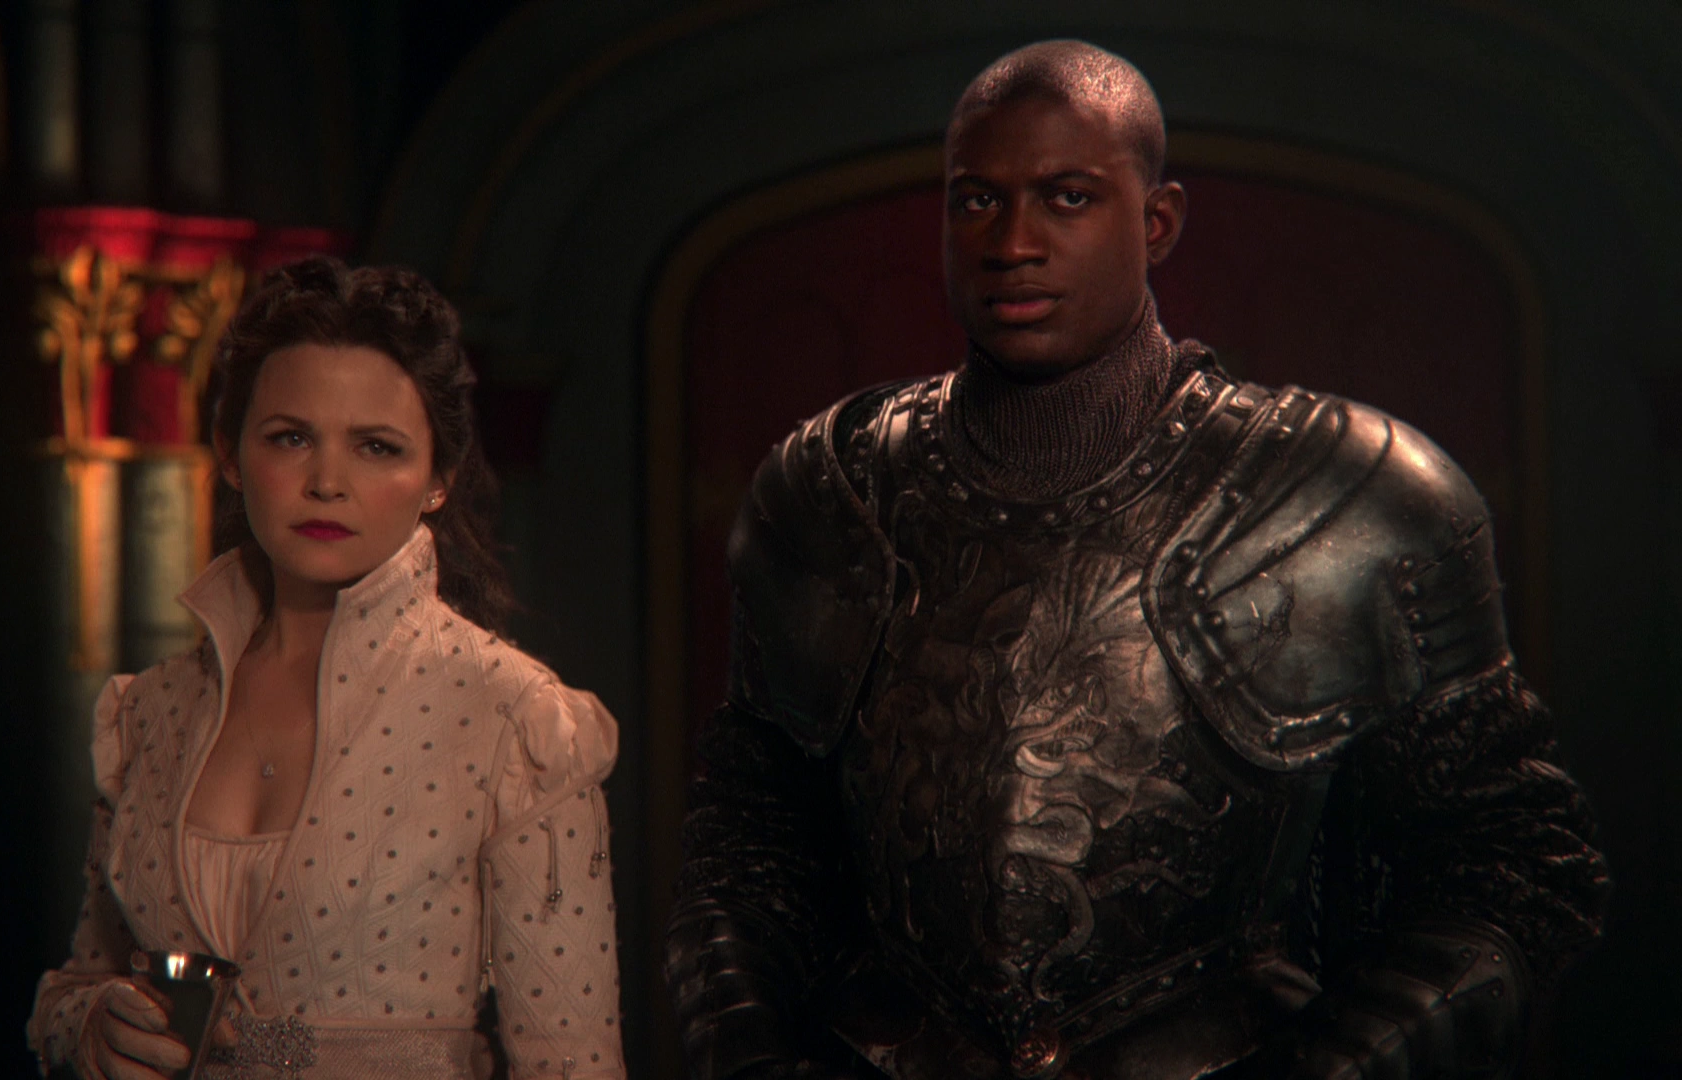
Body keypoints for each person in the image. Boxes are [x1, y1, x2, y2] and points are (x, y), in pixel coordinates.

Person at [665, 40, 1608, 1080]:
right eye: (977, 201)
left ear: (1157, 222)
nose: (1013, 243)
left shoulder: (1358, 499)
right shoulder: (832, 490)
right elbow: (750, 846)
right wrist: (751, 1059)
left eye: (1067, 198)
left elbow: (1511, 874)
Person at [28, 257, 627, 1079]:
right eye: (291, 438)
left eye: (376, 447)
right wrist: (91, 1023)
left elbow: (572, 1063)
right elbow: (82, 979)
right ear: (231, 455)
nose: (327, 483)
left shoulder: (514, 720)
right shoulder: (153, 710)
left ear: (438, 480)